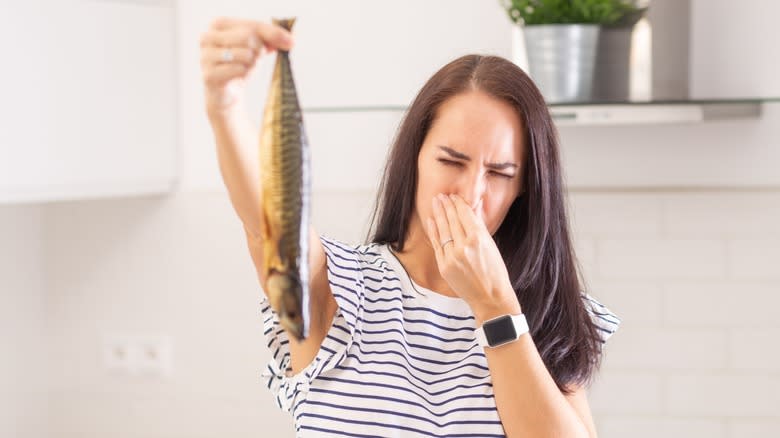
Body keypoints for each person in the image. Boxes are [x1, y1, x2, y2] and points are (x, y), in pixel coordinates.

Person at [201, 16, 620, 438]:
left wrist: (495, 306)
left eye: (499, 172)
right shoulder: (343, 289)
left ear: (524, 189)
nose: (471, 194)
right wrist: (225, 108)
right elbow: (266, 227)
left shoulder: (546, 314)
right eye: (451, 161)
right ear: (415, 158)